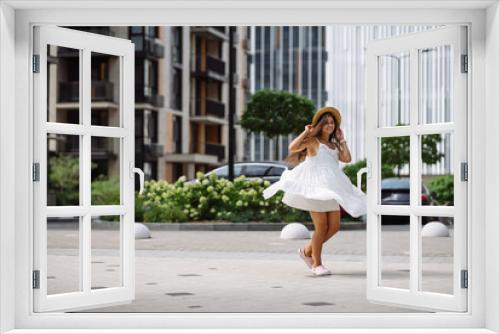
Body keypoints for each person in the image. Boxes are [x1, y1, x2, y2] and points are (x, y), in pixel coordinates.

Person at [262, 106, 367, 276]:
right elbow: (293, 147)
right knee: (321, 227)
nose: (330, 125)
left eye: (332, 123)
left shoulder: (333, 144)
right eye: (326, 123)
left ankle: (306, 251)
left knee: (334, 227)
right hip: (315, 187)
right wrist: (305, 132)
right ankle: (317, 264)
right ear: (320, 125)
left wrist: (342, 140)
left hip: (331, 187)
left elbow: (347, 158)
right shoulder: (313, 141)